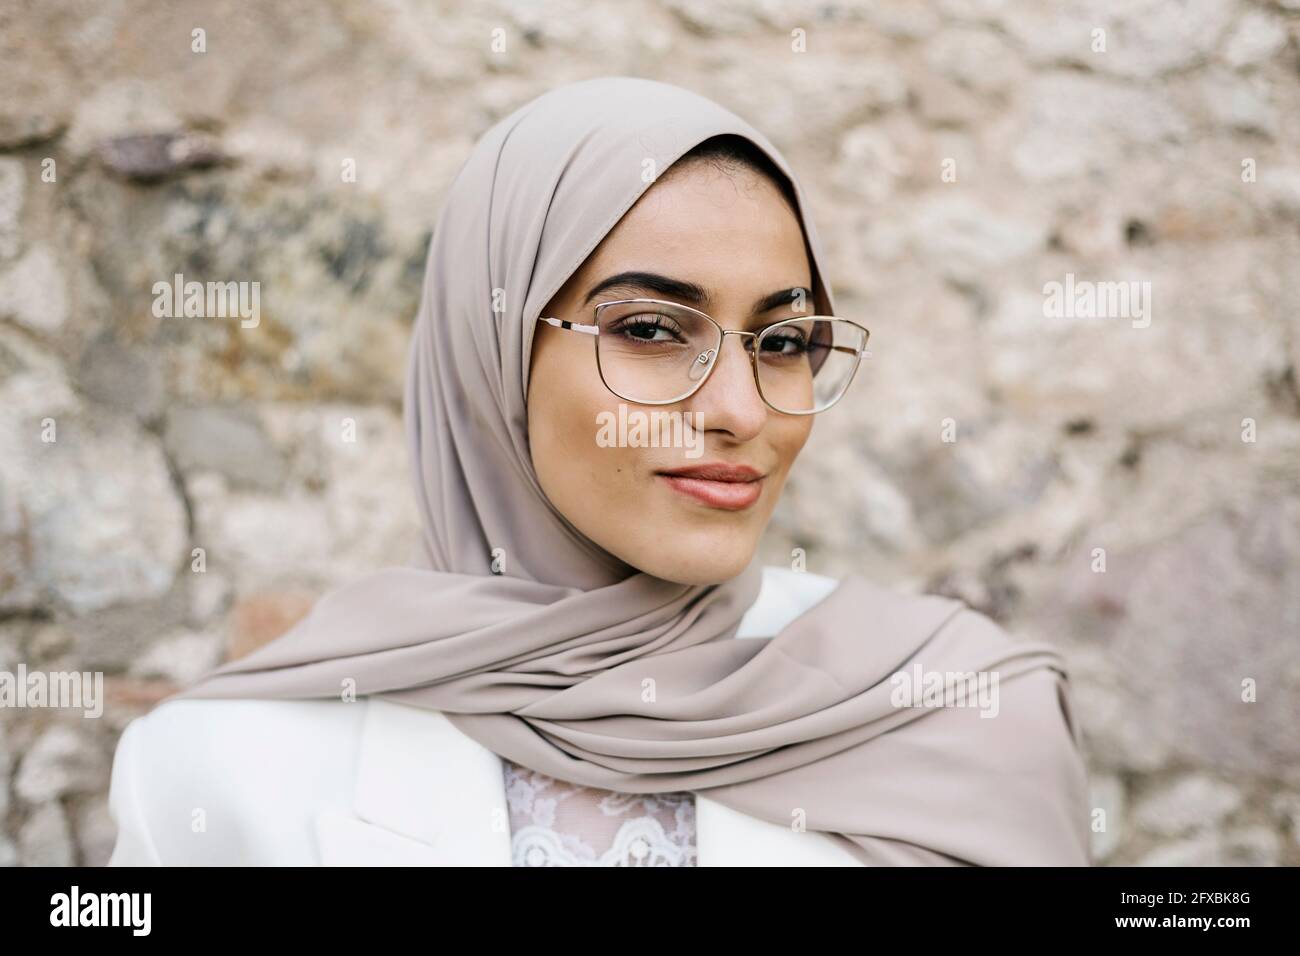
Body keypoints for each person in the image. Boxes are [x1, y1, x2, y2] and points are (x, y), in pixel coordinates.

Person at [106, 76, 1091, 867]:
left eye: (784, 339)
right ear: (490, 353)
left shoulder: (962, 711)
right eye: (653, 330)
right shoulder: (218, 773)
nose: (743, 411)